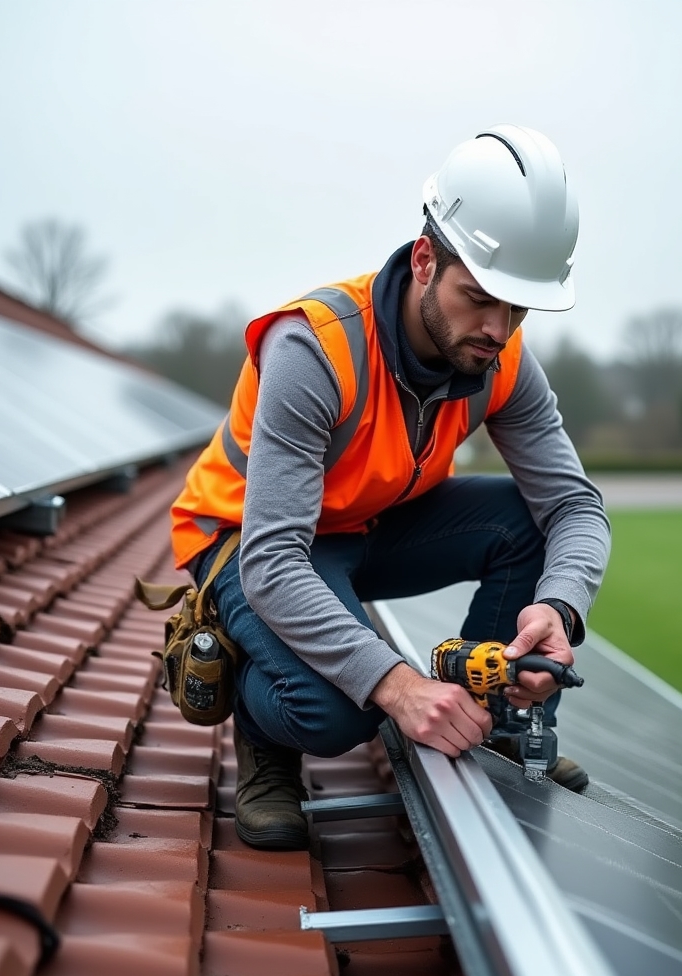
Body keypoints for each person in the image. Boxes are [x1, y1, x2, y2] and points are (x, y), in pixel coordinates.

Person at [170, 124, 611, 850]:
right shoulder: (315, 348)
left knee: (525, 518)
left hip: (364, 530)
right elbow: (275, 561)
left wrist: (559, 607)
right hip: (247, 541)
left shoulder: (501, 357)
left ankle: (489, 718)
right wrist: (399, 687)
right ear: (426, 259)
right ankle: (259, 726)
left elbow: (573, 506)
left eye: (518, 310)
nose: (497, 331)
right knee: (342, 715)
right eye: (479, 299)